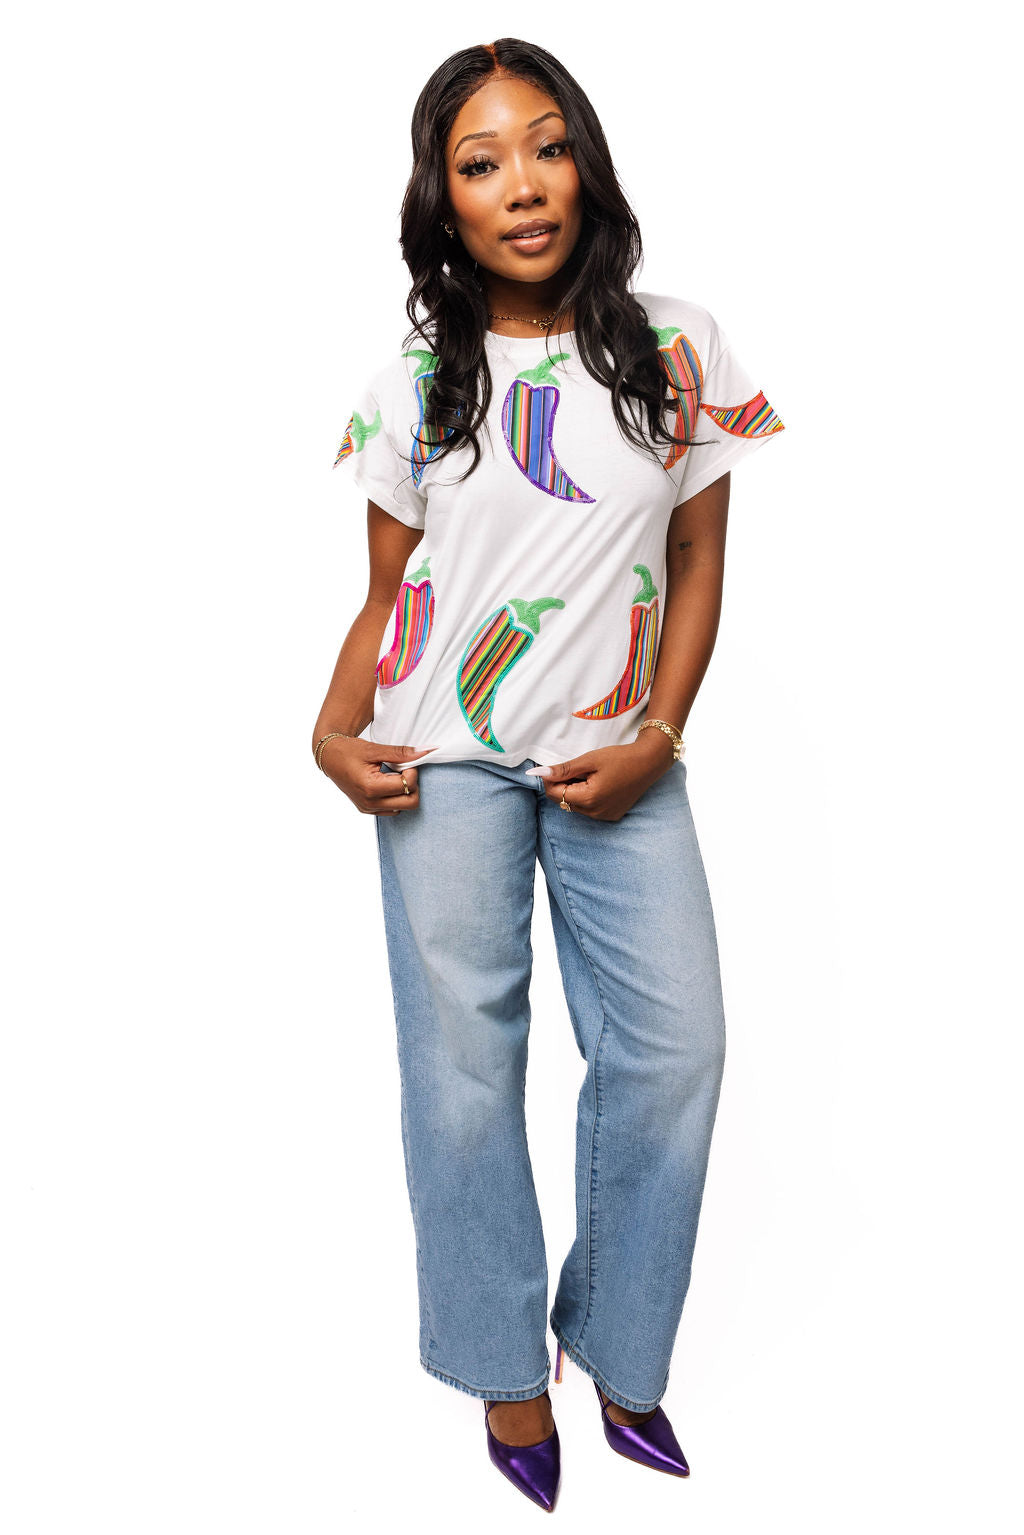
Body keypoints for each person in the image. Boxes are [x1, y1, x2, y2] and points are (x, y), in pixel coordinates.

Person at [312, 38, 784, 1513]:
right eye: (481, 162)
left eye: (546, 146)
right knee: (463, 1077)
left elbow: (698, 559)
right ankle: (503, 1370)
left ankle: (620, 1346)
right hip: (441, 756)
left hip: (617, 753)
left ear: (585, 163)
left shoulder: (679, 348)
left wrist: (661, 734)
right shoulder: (415, 382)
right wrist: (329, 729)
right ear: (442, 200)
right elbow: (389, 595)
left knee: (675, 1050)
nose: (521, 185)